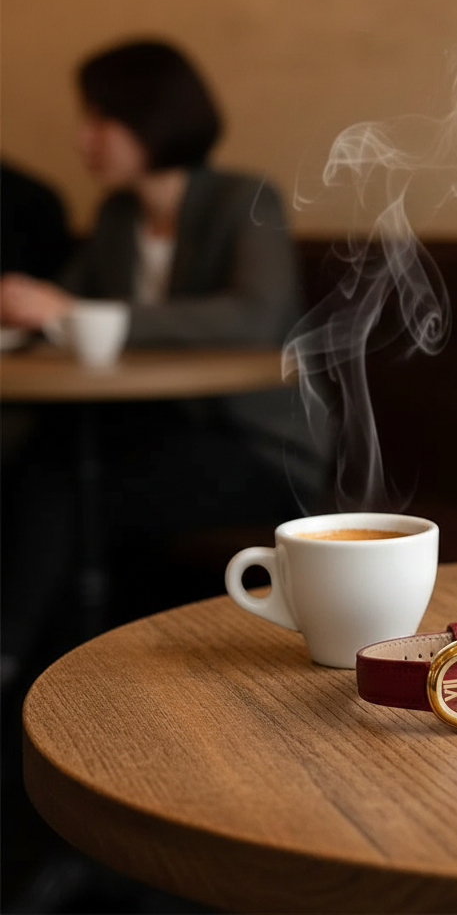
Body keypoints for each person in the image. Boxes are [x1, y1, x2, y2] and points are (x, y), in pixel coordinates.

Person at [0, 39, 326, 683]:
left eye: (100, 119)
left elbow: (255, 316)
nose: (83, 139)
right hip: (152, 435)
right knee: (44, 457)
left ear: (149, 117)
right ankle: (42, 670)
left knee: (61, 480)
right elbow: (61, 309)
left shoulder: (244, 199)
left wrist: (77, 312)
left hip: (256, 448)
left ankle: (21, 662)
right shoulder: (117, 217)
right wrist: (28, 308)